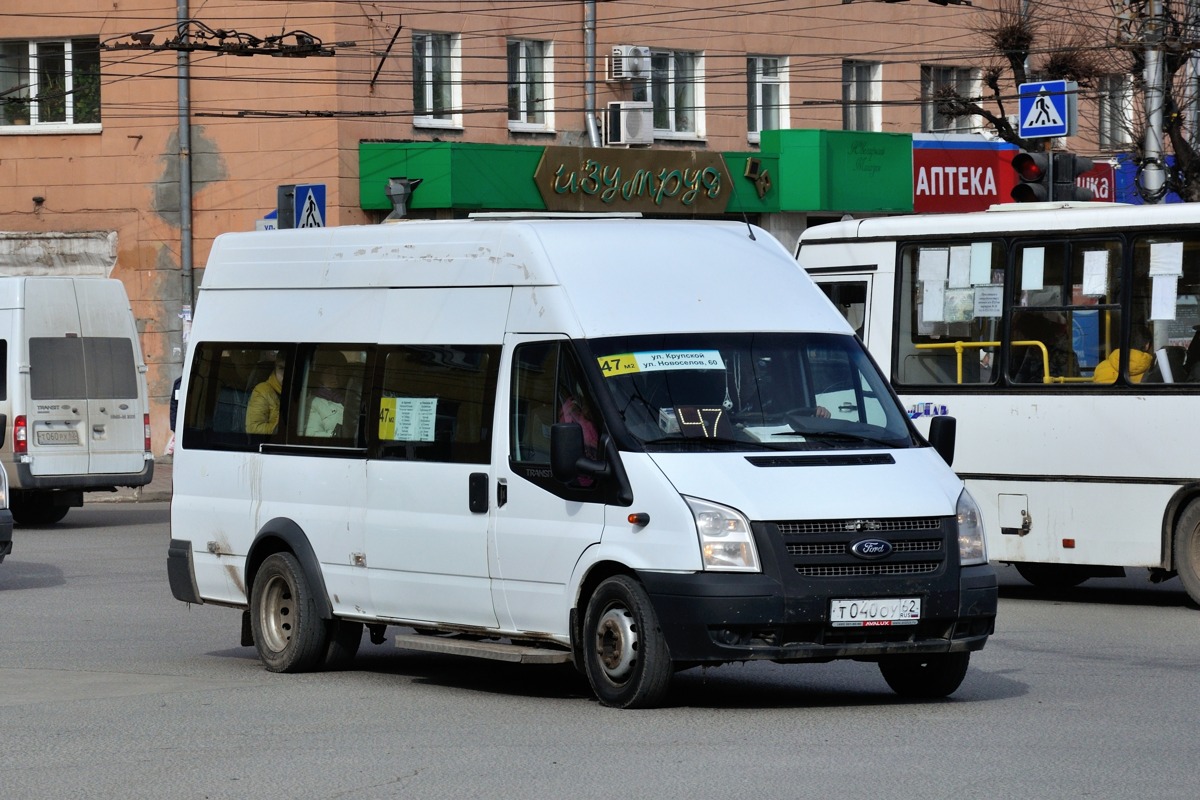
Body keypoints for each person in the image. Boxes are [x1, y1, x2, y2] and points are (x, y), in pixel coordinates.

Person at [305, 352, 347, 437]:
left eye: (338, 371)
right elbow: (312, 435)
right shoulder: (313, 403)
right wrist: (337, 434)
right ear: (319, 374)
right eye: (329, 371)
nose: (335, 376)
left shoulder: (350, 396)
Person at [245, 355, 286, 434]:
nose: (285, 374)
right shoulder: (262, 391)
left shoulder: (303, 392)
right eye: (281, 368)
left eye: (290, 369)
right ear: (275, 369)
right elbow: (253, 429)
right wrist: (280, 428)